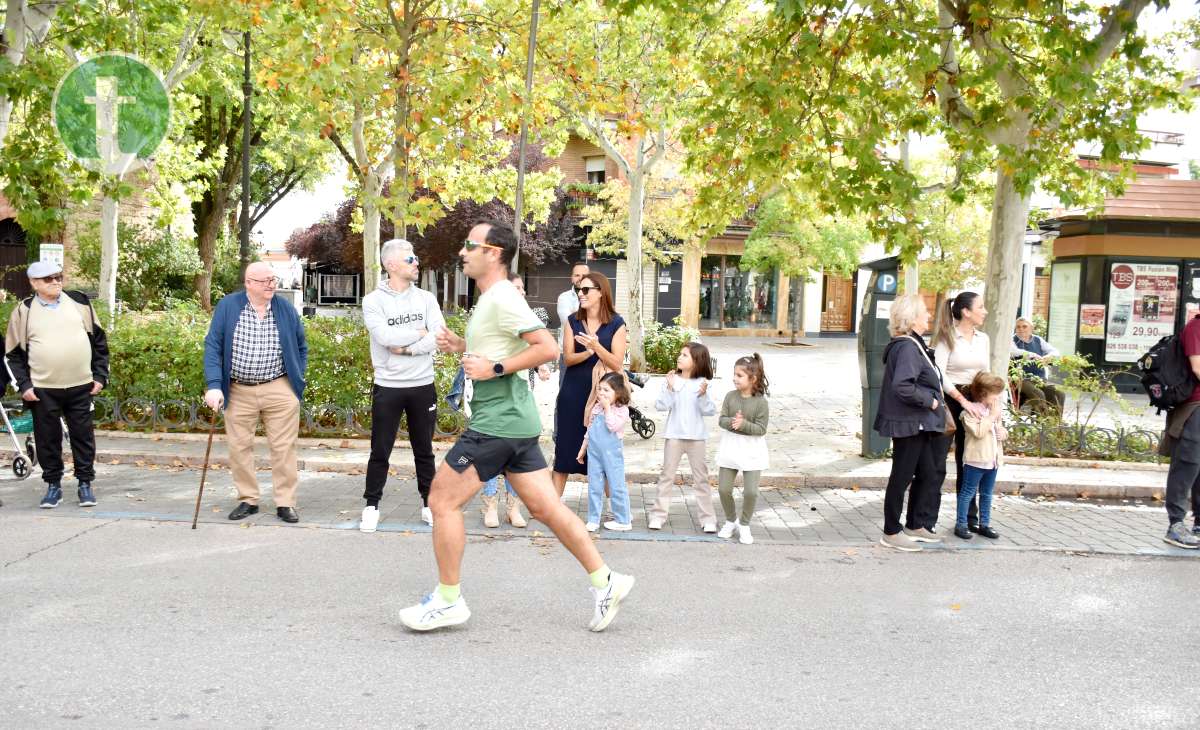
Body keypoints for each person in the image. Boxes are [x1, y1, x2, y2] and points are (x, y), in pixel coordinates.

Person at [398, 221, 634, 633]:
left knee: (441, 501)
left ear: (493, 253)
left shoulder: (504, 297)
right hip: (516, 423)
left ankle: (447, 600)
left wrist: (495, 368)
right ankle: (606, 581)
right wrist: (464, 348)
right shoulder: (492, 298)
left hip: (498, 424)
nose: (463, 252)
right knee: (546, 508)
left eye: (470, 245)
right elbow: (499, 347)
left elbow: (544, 347)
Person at [203, 262, 308, 523]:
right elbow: (213, 346)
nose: (271, 285)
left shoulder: (284, 308)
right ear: (249, 283)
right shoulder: (228, 306)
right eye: (264, 281)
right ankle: (248, 500)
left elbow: (301, 346)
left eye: (273, 279)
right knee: (240, 447)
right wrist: (215, 385)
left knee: (283, 448)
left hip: (278, 386)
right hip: (238, 389)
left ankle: (285, 503)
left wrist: (296, 379)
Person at [4, 261, 108, 509]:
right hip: (42, 390)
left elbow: (101, 342)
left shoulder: (80, 302)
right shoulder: (24, 310)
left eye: (58, 277)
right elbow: (12, 354)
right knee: (47, 439)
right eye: (48, 279)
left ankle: (85, 484)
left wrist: (100, 376)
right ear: (34, 283)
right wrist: (24, 386)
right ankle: (53, 486)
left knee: (83, 437)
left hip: (81, 385)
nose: (55, 282)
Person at [359, 239, 445, 533]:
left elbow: (438, 335)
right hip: (388, 385)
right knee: (380, 449)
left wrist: (408, 347)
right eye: (411, 259)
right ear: (391, 264)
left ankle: (428, 504)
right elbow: (383, 337)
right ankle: (371, 506)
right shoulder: (373, 301)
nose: (416, 263)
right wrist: (416, 332)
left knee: (425, 449)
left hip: (422, 384)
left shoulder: (426, 298)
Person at [874, 294, 947, 552]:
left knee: (928, 472)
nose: (929, 315)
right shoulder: (907, 347)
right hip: (910, 423)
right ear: (912, 318)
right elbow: (903, 386)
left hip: (918, 423)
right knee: (902, 476)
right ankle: (891, 531)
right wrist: (931, 402)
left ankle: (915, 524)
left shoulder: (913, 343)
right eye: (924, 311)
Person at [478, 272, 547, 529]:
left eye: (522, 289)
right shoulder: (492, 317)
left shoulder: (528, 319)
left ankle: (513, 506)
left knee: (516, 455)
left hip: (520, 397)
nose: (521, 293)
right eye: (515, 288)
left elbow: (539, 348)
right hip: (493, 397)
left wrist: (540, 366)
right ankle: (490, 505)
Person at [552, 271, 627, 497]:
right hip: (573, 393)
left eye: (586, 290)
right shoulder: (572, 321)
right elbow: (567, 358)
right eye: (579, 289)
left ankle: (617, 509)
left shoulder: (616, 323)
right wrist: (586, 352)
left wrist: (597, 347)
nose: (580, 294)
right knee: (564, 449)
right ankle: (553, 506)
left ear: (601, 292)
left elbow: (616, 363)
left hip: (603, 397)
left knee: (604, 452)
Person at [932, 291, 990, 533]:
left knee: (971, 462)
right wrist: (960, 400)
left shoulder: (983, 338)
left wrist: (990, 402)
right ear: (966, 312)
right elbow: (939, 373)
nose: (985, 311)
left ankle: (967, 518)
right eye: (981, 307)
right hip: (949, 401)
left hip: (975, 401)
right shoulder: (946, 337)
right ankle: (927, 521)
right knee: (936, 462)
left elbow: (986, 371)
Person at [648, 342, 717, 532]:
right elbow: (661, 405)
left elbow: (709, 411)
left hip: (697, 438)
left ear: (697, 361)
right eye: (680, 354)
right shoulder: (672, 380)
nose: (679, 357)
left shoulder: (703, 383)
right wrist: (670, 388)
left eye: (685, 355)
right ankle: (658, 516)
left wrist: (703, 395)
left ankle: (708, 519)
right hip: (674, 437)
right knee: (666, 477)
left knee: (701, 479)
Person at [715, 353, 770, 545]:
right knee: (723, 489)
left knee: (751, 492)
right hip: (730, 448)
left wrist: (744, 424)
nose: (734, 378)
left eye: (739, 375)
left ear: (752, 379)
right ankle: (731, 521)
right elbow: (721, 419)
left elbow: (761, 429)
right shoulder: (730, 397)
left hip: (752, 451)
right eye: (734, 374)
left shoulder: (761, 402)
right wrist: (732, 422)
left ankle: (744, 524)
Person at [1160, 310, 1200, 549]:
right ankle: (1175, 525)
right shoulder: (1196, 328)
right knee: (1187, 464)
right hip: (1194, 407)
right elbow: (1197, 366)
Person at [576, 371, 632, 532]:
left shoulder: (622, 410)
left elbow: (612, 426)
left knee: (616, 485)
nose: (601, 393)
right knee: (594, 485)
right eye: (600, 389)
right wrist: (582, 449)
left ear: (618, 392)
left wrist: (607, 408)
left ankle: (623, 520)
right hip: (594, 454)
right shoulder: (596, 408)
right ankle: (593, 519)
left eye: (606, 390)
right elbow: (590, 430)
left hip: (612, 455)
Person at [956, 372, 1008, 541]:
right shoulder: (969, 413)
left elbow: (999, 428)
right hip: (976, 460)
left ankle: (985, 524)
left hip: (992, 460)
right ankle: (961, 524)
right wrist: (992, 417)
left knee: (987, 493)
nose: (998, 397)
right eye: (996, 393)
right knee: (967, 492)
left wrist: (1003, 432)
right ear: (984, 394)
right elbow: (978, 433)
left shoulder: (994, 411)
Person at [1010, 317, 1065, 417]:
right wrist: (1032, 355)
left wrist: (1048, 356)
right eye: (1018, 327)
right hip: (1022, 380)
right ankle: (1042, 426)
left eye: (1024, 326)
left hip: (1039, 379)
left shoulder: (1038, 340)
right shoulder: (1012, 340)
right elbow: (1014, 352)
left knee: (1059, 393)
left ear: (1031, 328)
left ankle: (1054, 426)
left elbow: (1055, 352)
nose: (1021, 329)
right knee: (1038, 394)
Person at [555, 262, 590, 383]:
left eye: (584, 275)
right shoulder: (564, 297)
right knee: (566, 393)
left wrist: (575, 312)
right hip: (568, 353)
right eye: (577, 275)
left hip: (592, 351)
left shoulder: (597, 296)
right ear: (572, 277)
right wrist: (590, 313)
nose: (580, 278)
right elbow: (568, 321)